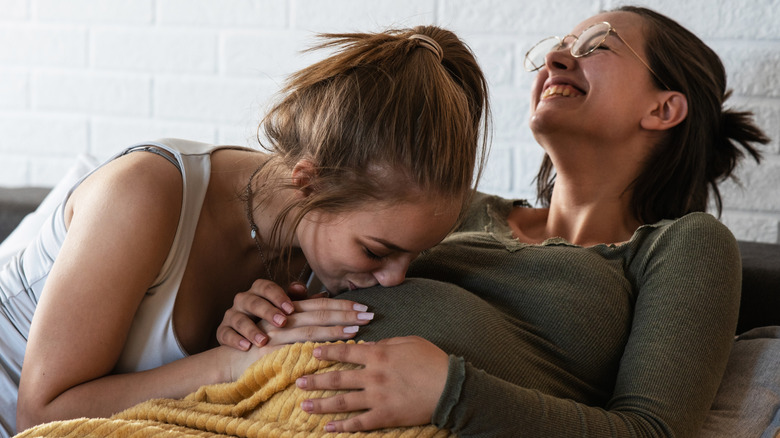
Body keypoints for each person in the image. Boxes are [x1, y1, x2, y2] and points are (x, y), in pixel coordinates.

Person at [218, 5, 770, 437]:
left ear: (663, 109)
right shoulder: (446, 209)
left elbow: (652, 431)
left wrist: (453, 393)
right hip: (248, 403)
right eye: (557, 47)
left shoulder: (682, 245)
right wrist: (263, 312)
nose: (556, 59)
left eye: (595, 46)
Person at [0, 25, 490, 437]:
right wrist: (229, 365)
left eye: (413, 256)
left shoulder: (319, 263)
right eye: (377, 252)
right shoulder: (142, 194)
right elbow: (40, 415)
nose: (395, 279)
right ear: (308, 183)